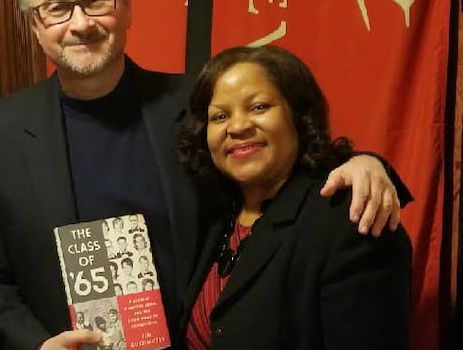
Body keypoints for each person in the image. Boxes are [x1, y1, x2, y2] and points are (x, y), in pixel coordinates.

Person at [0, 0, 408, 350]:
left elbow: (280, 174)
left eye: (96, 0)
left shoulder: (201, 106)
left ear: (127, 7)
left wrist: (365, 164)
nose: (80, 23)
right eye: (56, 8)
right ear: (35, 24)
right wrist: (35, 345)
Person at [176, 45, 411, 349]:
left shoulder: (351, 219)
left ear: (298, 117)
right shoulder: (213, 217)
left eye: (259, 107)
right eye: (220, 116)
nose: (238, 127)